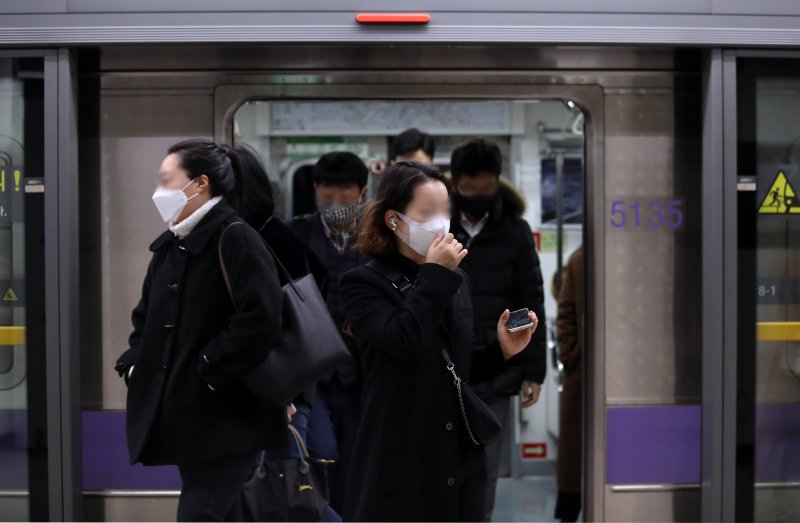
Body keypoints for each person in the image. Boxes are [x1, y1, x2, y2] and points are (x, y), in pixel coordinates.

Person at [339, 161, 538, 521]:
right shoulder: (362, 284)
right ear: (394, 220)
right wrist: (434, 275)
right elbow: (403, 341)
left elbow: (455, 368)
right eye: (427, 212)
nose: (440, 221)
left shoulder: (455, 278)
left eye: (445, 210)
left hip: (457, 452)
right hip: (401, 450)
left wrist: (501, 352)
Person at [114, 139, 287, 521]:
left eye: (167, 180)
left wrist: (206, 367)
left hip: (230, 418)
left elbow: (261, 318)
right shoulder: (171, 247)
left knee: (199, 514)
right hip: (191, 420)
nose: (158, 192)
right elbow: (145, 320)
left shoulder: (235, 237)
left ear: (200, 183)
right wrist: (132, 364)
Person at [234, 144, 341, 522]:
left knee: (287, 490)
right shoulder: (277, 234)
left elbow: (268, 322)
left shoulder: (257, 239)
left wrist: (282, 395)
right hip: (290, 383)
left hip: (282, 390)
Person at [448, 139, 547, 520]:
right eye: (469, 189)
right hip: (444, 366)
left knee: (485, 471)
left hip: (498, 368)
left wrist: (532, 370)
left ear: (496, 182)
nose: (477, 196)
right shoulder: (437, 227)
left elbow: (531, 302)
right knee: (440, 468)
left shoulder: (515, 232)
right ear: (455, 184)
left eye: (485, 188)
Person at [288, 151, 369, 514]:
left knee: (356, 462)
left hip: (359, 374)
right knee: (321, 455)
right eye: (327, 191)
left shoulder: (378, 240)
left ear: (362, 192)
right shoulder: (294, 234)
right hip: (311, 374)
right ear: (316, 189)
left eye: (345, 191)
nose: (335, 200)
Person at [554, 247, 584, 523]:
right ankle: (570, 507)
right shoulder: (580, 260)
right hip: (584, 368)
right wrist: (571, 354)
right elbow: (566, 313)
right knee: (576, 446)